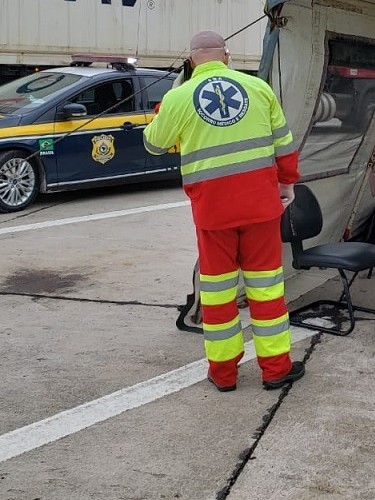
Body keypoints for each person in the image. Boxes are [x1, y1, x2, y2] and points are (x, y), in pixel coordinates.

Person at [143, 31, 305, 392]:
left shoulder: (178, 97)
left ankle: (224, 374)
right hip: (261, 210)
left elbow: (154, 144)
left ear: (191, 60)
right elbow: (284, 145)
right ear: (227, 56)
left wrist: (161, 113)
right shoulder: (259, 89)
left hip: (213, 214)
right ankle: (276, 368)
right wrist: (287, 183)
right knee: (266, 291)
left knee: (217, 297)